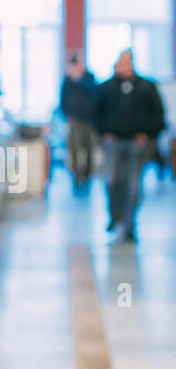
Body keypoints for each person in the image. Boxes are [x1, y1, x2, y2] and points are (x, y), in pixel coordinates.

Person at [94, 50, 166, 242]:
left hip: (137, 143)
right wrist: (104, 133)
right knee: (112, 181)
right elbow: (95, 114)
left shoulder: (147, 87)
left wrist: (147, 134)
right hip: (113, 143)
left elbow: (158, 114)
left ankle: (129, 224)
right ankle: (115, 217)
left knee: (133, 186)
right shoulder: (106, 87)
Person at [59, 53, 97, 190]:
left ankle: (86, 176)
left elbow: (95, 93)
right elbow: (62, 99)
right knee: (73, 148)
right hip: (73, 119)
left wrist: (80, 79)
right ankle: (75, 175)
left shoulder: (89, 78)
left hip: (89, 120)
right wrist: (66, 115)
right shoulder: (68, 80)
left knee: (88, 148)